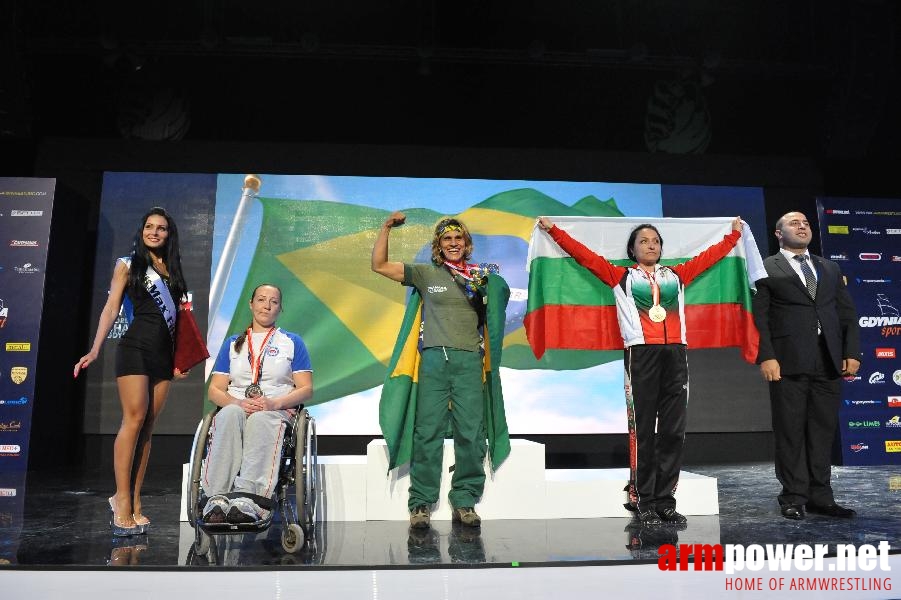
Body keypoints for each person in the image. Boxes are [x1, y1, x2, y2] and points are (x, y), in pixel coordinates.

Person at [537, 216, 743, 526]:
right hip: (640, 355)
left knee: (673, 431)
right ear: (633, 249)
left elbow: (709, 258)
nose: (651, 245)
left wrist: (732, 237)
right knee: (643, 431)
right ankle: (643, 499)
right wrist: (553, 231)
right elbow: (584, 256)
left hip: (676, 354)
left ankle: (666, 500)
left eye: (656, 241)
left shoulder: (677, 275)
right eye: (644, 241)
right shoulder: (621, 277)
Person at [372, 213, 510, 530]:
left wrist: (495, 288)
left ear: (466, 244)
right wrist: (386, 229)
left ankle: (464, 500)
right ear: (438, 245)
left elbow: (498, 307)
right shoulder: (425, 273)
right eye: (447, 239)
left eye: (458, 238)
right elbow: (379, 265)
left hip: (469, 362)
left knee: (471, 434)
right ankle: (421, 502)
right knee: (427, 432)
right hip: (434, 360)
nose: (453, 243)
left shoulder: (480, 278)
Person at [74, 207, 189, 536]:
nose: (155, 232)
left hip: (163, 355)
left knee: (148, 428)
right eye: (150, 227)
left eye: (162, 228)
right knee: (134, 420)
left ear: (169, 234)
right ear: (142, 231)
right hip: (135, 348)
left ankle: (136, 500)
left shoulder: (172, 270)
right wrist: (95, 348)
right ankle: (121, 498)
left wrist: (180, 359)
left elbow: (180, 322)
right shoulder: (128, 264)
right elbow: (111, 308)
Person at [752, 211, 860, 520]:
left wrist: (852, 352)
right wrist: (767, 356)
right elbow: (760, 317)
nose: (802, 226)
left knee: (822, 432)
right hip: (787, 361)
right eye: (794, 223)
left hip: (827, 360)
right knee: (790, 432)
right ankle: (793, 496)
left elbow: (847, 314)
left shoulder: (829, 267)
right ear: (778, 233)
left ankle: (821, 497)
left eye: (806, 223)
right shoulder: (765, 268)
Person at [200, 284, 314, 524]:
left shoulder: (292, 342)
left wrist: (274, 403)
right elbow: (214, 390)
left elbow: (306, 388)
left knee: (262, 419)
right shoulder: (233, 344)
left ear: (280, 308)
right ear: (251, 304)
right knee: (229, 415)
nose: (267, 305)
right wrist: (237, 402)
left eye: (273, 301)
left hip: (275, 410)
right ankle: (216, 498)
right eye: (261, 299)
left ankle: (251, 499)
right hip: (237, 406)